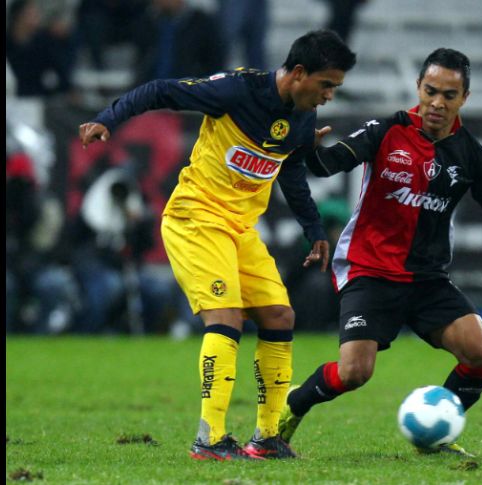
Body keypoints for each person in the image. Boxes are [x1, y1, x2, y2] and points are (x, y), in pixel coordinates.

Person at [277, 48, 482, 456]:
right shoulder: (385, 130)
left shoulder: (472, 155)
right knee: (354, 372)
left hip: (427, 277)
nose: (437, 102)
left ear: (464, 98)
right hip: (370, 269)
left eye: (449, 95)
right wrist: (307, 147)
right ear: (418, 87)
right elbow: (327, 166)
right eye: (430, 91)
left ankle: (435, 438)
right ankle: (292, 406)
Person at [79, 30, 357, 461]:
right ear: (299, 73)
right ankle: (208, 439)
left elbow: (292, 173)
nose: (330, 96)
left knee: (280, 315)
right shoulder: (238, 89)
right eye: (327, 85)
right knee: (226, 317)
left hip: (241, 228)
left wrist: (315, 230)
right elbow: (161, 90)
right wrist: (108, 118)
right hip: (196, 218)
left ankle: (267, 438)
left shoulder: (300, 116)